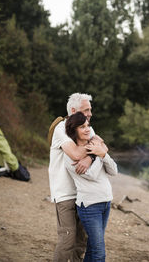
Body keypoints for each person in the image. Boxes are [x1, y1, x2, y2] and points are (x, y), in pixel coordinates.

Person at [49, 93, 102, 262]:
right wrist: (93, 150)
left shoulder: (88, 127)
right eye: (86, 110)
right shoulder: (61, 128)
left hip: (83, 193)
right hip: (64, 193)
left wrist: (90, 158)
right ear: (73, 110)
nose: (90, 113)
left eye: (90, 110)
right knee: (67, 239)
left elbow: (102, 146)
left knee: (80, 242)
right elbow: (75, 153)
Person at [65, 111, 118, 262]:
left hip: (106, 202)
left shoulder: (95, 147)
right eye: (82, 127)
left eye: (88, 125)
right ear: (73, 130)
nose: (87, 129)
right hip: (89, 207)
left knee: (92, 249)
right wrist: (97, 154)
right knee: (99, 252)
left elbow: (114, 170)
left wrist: (102, 154)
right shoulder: (70, 155)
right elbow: (92, 175)